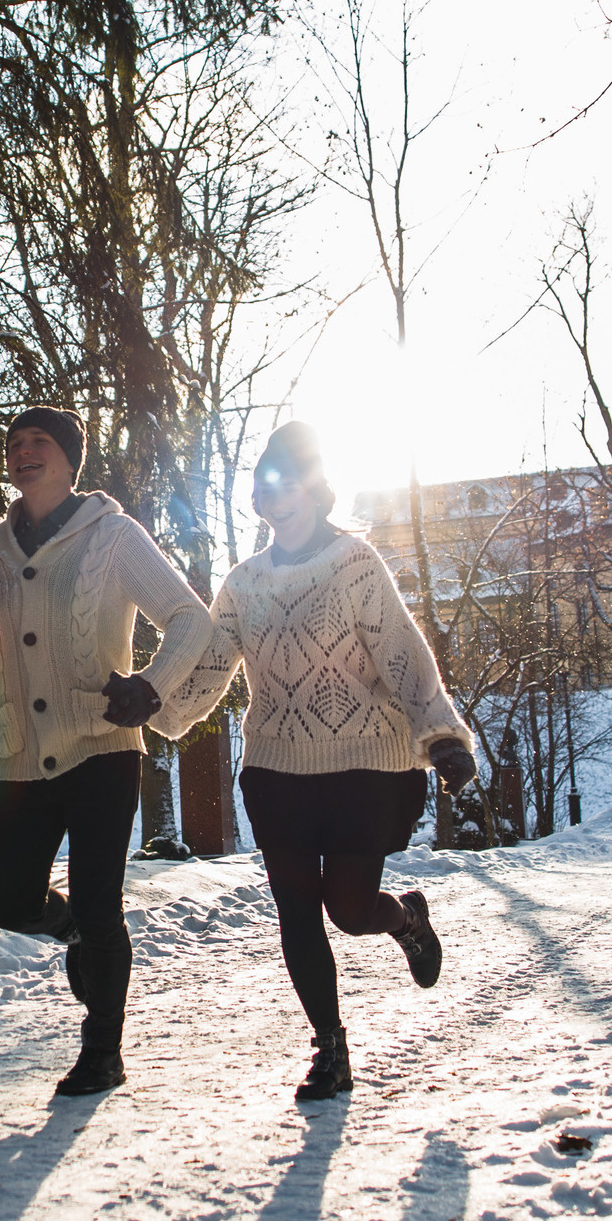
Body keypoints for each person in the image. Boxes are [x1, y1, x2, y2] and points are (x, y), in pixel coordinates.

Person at [152, 421, 479, 1103]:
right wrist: (157, 709)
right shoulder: (243, 584)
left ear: (315, 488)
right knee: (297, 911)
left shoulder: (355, 564)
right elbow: (213, 666)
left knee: (350, 909)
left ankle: (406, 920)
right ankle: (330, 1048)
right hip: (278, 768)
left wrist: (442, 733)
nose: (276, 495)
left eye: (289, 480)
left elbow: (401, 652)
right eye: (265, 482)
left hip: (365, 762)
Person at [0, 406, 214, 1098]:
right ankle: (80, 934)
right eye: (14, 443)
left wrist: (152, 687)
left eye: (39, 442)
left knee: (102, 902)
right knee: (10, 903)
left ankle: (102, 1048)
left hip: (103, 746)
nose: (23, 452)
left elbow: (190, 618)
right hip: (19, 754)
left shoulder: (112, 535)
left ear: (71, 457)